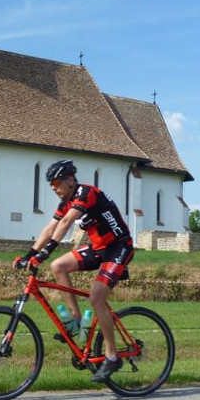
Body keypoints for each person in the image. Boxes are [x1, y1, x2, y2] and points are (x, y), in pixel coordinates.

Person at [13, 159, 135, 383]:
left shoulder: (85, 192)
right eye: (52, 186)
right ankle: (77, 322)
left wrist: (46, 251)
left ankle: (112, 356)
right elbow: (50, 227)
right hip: (99, 248)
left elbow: (68, 222)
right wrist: (30, 254)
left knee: (97, 299)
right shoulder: (65, 202)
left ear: (71, 179)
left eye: (58, 183)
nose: (55, 189)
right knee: (57, 266)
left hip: (119, 247)